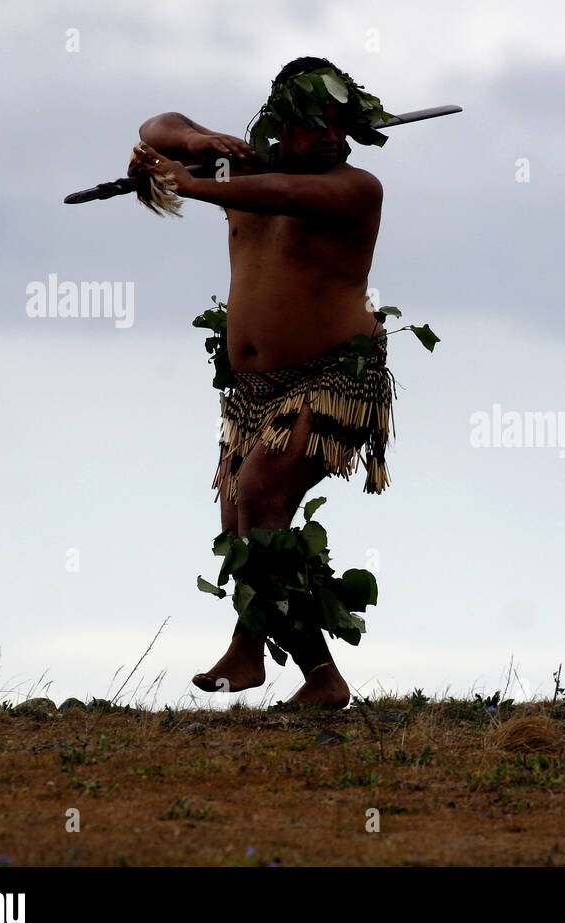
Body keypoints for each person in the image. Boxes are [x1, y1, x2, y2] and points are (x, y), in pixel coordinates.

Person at [132, 56, 391, 708]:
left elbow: (287, 196)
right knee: (242, 518)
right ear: (280, 126)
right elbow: (157, 126)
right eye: (312, 124)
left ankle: (323, 678)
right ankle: (248, 652)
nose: (329, 135)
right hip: (252, 395)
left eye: (339, 121)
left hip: (334, 379)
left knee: (260, 491)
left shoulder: (355, 188)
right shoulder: (238, 169)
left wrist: (186, 185)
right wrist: (194, 148)